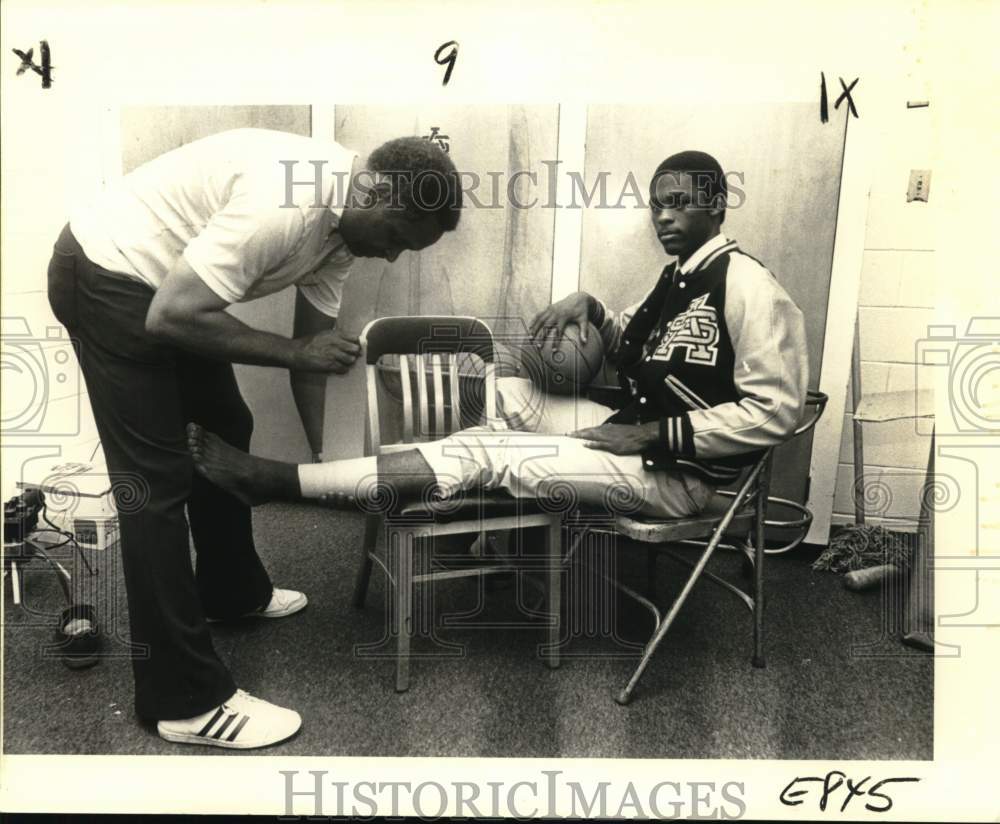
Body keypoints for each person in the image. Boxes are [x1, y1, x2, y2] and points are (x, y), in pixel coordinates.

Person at [46, 127, 462, 749]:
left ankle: (231, 592)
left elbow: (310, 359)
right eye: (399, 238)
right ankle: (183, 701)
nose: (395, 258)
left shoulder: (345, 233)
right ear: (372, 190)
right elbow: (173, 315)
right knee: (155, 484)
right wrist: (295, 351)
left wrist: (324, 463)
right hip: (108, 277)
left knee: (227, 426)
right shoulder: (285, 203)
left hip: (162, 290)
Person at [184, 149, 808, 548]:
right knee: (507, 392)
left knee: (483, 447)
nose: (662, 217)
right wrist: (589, 306)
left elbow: (777, 412)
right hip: (634, 433)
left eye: (680, 203)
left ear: (717, 205)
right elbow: (636, 356)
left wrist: (653, 437)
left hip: (684, 477)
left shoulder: (751, 286)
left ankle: (286, 480)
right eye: (656, 204)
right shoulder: (677, 278)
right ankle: (474, 512)